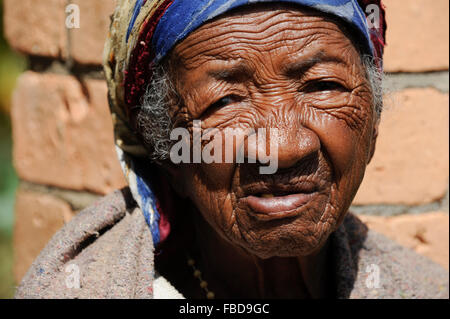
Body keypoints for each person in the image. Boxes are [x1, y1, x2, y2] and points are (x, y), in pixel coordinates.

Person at [15, 0, 449, 299]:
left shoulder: (424, 287)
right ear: (165, 149)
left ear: (372, 125)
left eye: (322, 86)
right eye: (225, 102)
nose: (281, 148)